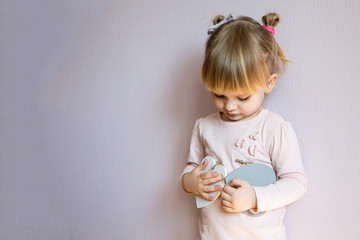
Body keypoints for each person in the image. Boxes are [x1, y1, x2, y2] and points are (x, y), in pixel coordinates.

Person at [180, 13, 308, 240]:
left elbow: (296, 183)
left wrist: (254, 198)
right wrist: (190, 182)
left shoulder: (273, 128)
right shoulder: (204, 127)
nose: (229, 106)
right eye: (218, 94)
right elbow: (191, 167)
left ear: (269, 83)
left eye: (242, 97)